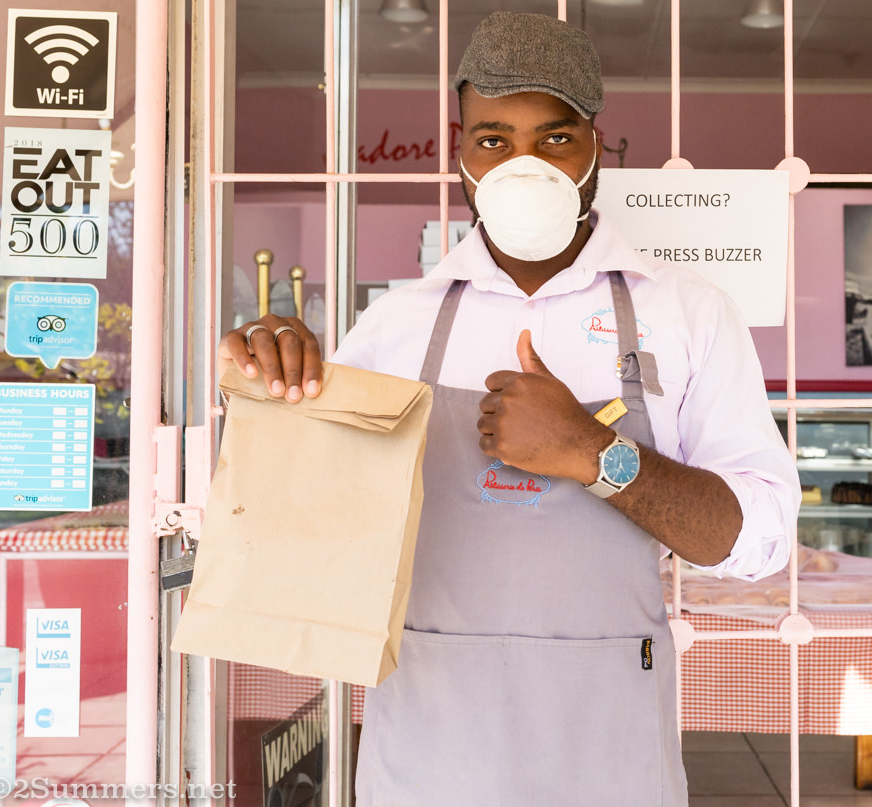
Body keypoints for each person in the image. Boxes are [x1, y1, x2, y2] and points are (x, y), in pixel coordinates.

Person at [220, 11, 801, 806]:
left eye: (554, 138)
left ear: (595, 144)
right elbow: (302, 526)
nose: (524, 167)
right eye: (494, 139)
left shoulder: (686, 313)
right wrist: (269, 392)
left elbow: (759, 541)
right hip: (430, 753)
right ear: (461, 151)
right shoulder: (396, 325)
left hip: (609, 754)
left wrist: (594, 454)